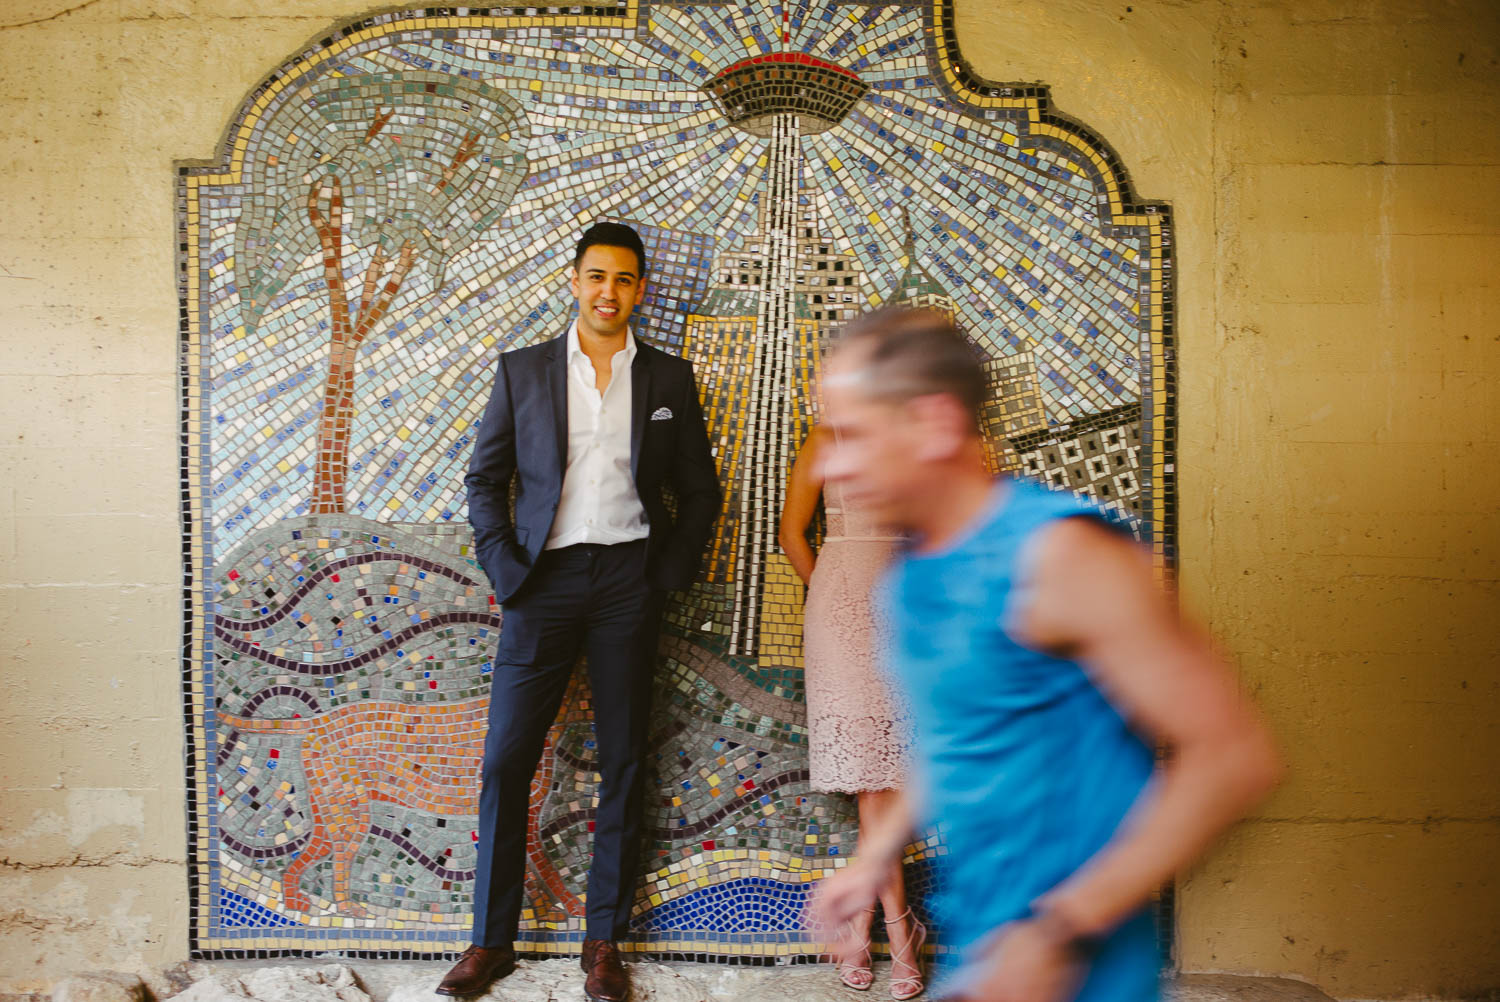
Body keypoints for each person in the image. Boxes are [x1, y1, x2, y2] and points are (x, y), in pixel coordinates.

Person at [811, 309, 1279, 1002]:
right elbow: (957, 740)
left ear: (934, 423)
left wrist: (1060, 931)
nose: (830, 464)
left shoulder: (1062, 555)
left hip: (1079, 977)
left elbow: (1234, 756)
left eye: (851, 434)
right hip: (985, 962)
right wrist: (872, 859)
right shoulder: (912, 572)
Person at [440, 222, 720, 1001]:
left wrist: (667, 570)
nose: (609, 292)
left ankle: (603, 944)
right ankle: (489, 943)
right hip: (543, 584)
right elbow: (483, 481)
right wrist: (505, 569)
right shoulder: (523, 372)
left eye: (625, 280)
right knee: (506, 759)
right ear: (574, 280)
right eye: (597, 276)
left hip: (629, 582)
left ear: (641, 289)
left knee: (625, 761)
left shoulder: (668, 379)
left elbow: (699, 490)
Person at [780, 428, 924, 999]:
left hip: (905, 608)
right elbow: (793, 533)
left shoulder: (922, 438)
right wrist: (833, 597)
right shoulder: (826, 438)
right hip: (840, 612)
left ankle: (869, 923)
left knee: (882, 784)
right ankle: (900, 930)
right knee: (872, 783)